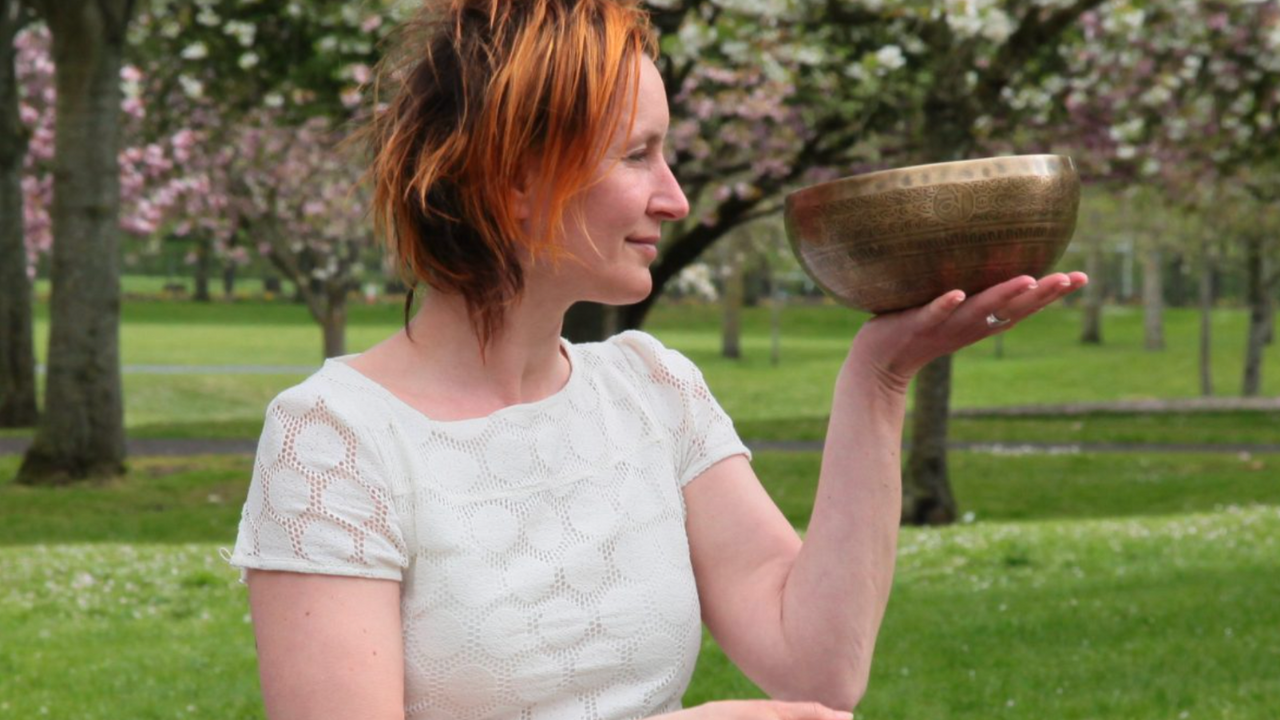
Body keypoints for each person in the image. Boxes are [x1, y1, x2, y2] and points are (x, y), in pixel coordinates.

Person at [226, 1, 1087, 719]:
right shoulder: (334, 440)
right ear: (513, 177)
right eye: (637, 154)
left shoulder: (651, 390)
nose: (674, 198)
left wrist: (879, 378)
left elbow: (816, 668)